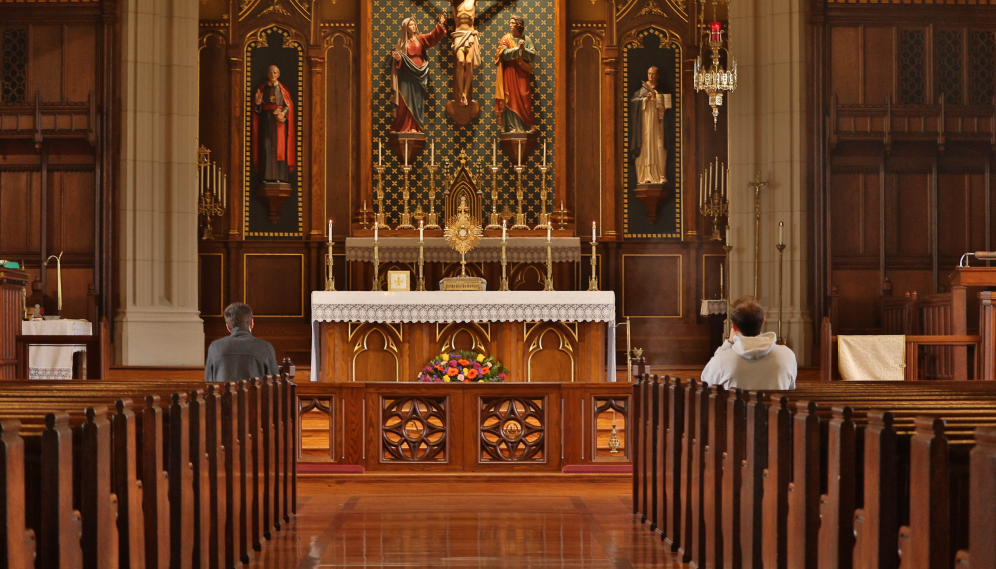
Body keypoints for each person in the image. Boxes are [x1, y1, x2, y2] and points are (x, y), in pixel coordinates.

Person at [700, 296, 797, 390]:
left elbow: (706, 383)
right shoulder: (787, 355)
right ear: (763, 321)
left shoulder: (721, 359)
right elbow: (791, 388)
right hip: (774, 407)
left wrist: (728, 344)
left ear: (734, 327)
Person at [390, 14, 448, 133]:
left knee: (417, 101)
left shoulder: (420, 39)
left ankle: (414, 127)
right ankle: (402, 127)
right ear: (406, 27)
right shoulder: (401, 43)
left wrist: (440, 24)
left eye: (414, 24)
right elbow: (398, 58)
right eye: (411, 24)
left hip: (419, 75)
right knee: (404, 101)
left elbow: (432, 36)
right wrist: (397, 58)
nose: (414, 26)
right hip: (406, 75)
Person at [205, 302, 279, 382]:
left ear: (228, 327)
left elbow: (209, 383)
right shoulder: (265, 347)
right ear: (251, 323)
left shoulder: (215, 347)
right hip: (254, 394)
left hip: (223, 394)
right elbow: (275, 384)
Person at [252, 65, 296, 183]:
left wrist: (283, 113)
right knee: (266, 148)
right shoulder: (262, 89)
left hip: (280, 124)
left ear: (278, 75)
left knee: (280, 149)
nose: (273, 75)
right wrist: (257, 103)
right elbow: (258, 110)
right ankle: (265, 177)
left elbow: (288, 105)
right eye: (271, 73)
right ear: (267, 74)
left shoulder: (284, 90)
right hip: (266, 122)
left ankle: (280, 177)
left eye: (275, 73)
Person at [494, 15, 537, 133]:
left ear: (518, 25)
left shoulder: (526, 39)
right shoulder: (505, 38)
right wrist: (516, 49)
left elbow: (532, 55)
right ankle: (511, 127)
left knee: (524, 95)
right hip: (510, 72)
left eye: (512, 23)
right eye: (510, 22)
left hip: (522, 72)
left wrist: (523, 49)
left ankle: (527, 125)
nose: (510, 25)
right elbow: (500, 54)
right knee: (511, 98)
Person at [629, 66, 670, 185]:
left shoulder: (661, 90)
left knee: (659, 147)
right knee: (646, 147)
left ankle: (660, 175)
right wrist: (644, 100)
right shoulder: (642, 90)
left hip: (657, 124)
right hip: (645, 123)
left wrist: (662, 109)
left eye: (653, 74)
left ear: (658, 75)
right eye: (649, 73)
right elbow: (633, 103)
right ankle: (645, 175)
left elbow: (665, 109)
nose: (651, 76)